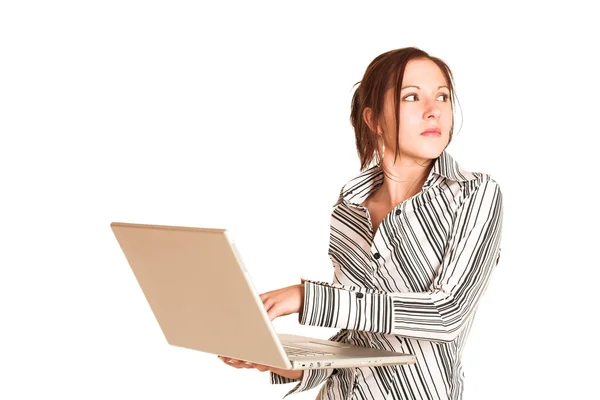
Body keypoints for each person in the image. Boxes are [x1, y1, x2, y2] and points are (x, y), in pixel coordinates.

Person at [219, 47, 504, 400]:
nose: (433, 111)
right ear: (374, 120)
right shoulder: (349, 207)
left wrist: (310, 297)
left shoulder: (475, 194)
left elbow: (445, 314)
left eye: (442, 97)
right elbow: (356, 338)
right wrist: (284, 361)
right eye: (411, 97)